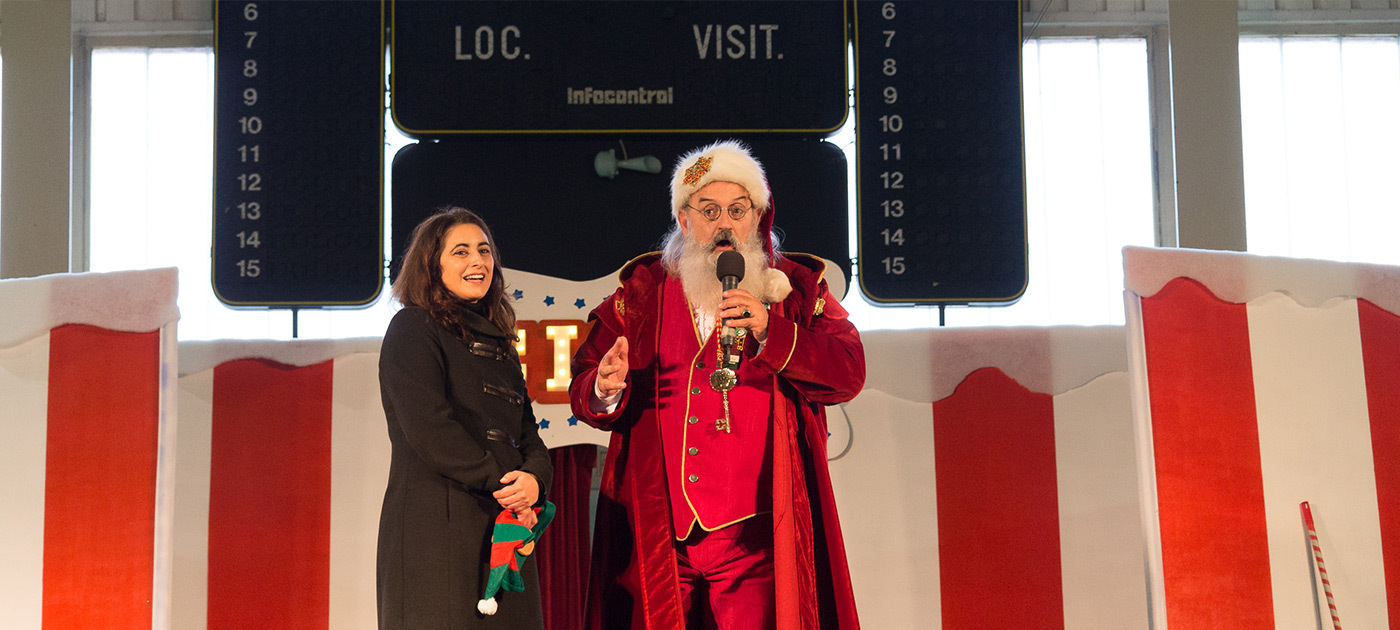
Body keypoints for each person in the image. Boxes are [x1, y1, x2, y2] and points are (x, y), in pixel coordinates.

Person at [569, 140, 865, 629]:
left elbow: (849, 371)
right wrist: (604, 387)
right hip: (661, 534)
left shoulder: (797, 288)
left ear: (758, 217)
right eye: (709, 211)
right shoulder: (642, 291)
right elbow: (584, 381)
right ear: (684, 221)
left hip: (758, 538)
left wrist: (771, 331)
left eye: (737, 210)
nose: (724, 224)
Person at [377, 207, 552, 629]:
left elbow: (527, 432)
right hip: (438, 526)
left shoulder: (502, 343)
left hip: (503, 523)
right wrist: (507, 486)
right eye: (461, 252)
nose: (478, 261)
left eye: (484, 250)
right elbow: (430, 429)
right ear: (431, 265)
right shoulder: (412, 328)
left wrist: (534, 481)